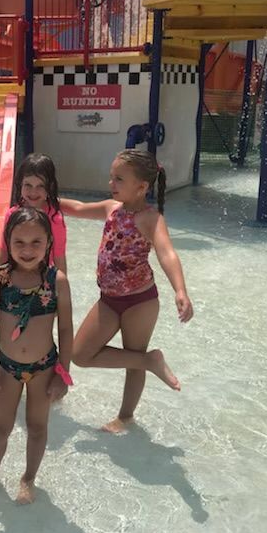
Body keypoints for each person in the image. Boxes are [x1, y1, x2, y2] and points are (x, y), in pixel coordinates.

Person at [60, 149, 194, 434]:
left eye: (119, 179)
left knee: (133, 362)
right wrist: (45, 201)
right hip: (109, 300)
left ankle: (125, 417)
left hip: (139, 302)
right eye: (112, 178)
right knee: (80, 354)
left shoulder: (150, 218)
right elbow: (77, 208)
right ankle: (152, 361)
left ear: (142, 187)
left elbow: (166, 253)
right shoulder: (111, 208)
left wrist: (180, 290)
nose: (112, 184)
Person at [0, 207, 74, 505]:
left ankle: (28, 478)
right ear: (8, 242)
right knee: (0, 427)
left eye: (36, 242)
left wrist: (63, 373)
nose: (27, 250)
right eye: (19, 242)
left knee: (38, 427)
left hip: (44, 369)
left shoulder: (57, 281)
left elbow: (65, 329)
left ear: (49, 243)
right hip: (6, 368)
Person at [0, 153, 67, 274]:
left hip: (42, 279)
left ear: (50, 187)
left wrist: (62, 287)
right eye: (28, 185)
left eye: (40, 186)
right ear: (20, 185)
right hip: (15, 276)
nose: (33, 192)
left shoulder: (55, 219)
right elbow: (4, 251)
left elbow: (59, 257)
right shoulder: (12, 214)